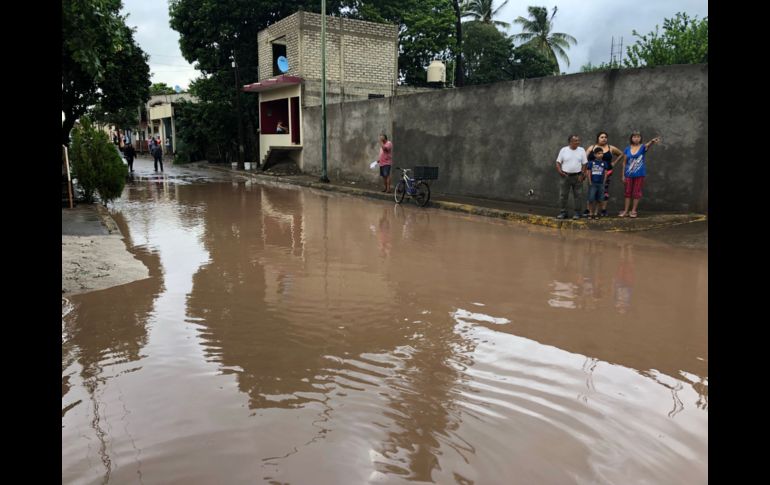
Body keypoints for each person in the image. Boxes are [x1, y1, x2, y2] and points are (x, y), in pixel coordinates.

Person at [619, 132, 661, 218]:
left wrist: (652, 141)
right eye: (634, 137)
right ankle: (626, 211)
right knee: (627, 193)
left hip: (639, 174)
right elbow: (624, 163)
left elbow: (648, 145)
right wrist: (623, 175)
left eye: (638, 137)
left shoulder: (642, 147)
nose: (636, 138)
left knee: (636, 192)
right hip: (628, 174)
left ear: (640, 138)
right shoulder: (627, 149)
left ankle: (633, 211)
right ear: (631, 138)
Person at [584, 132, 625, 217]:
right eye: (601, 137)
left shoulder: (611, 148)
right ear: (598, 138)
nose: (604, 138)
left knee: (604, 192)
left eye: (605, 137)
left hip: (606, 173)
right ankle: (588, 210)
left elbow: (622, 154)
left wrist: (614, 163)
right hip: (592, 174)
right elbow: (583, 158)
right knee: (592, 192)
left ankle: (603, 210)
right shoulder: (592, 148)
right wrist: (585, 170)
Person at [555, 134, 588, 220]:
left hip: (577, 176)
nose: (578, 142)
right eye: (576, 141)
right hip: (565, 176)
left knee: (578, 195)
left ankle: (577, 213)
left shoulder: (581, 150)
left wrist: (582, 174)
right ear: (570, 142)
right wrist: (560, 171)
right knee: (563, 195)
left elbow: (584, 163)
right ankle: (563, 212)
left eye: (578, 140)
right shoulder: (563, 150)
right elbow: (558, 162)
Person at [586, 146, 610, 219]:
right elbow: (589, 173)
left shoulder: (604, 163)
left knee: (599, 199)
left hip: (601, 184)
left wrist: (604, 182)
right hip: (593, 183)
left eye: (602, 153)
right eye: (599, 153)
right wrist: (590, 182)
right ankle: (590, 213)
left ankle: (596, 213)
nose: (601, 155)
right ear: (595, 155)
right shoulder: (591, 163)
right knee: (591, 199)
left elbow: (606, 173)